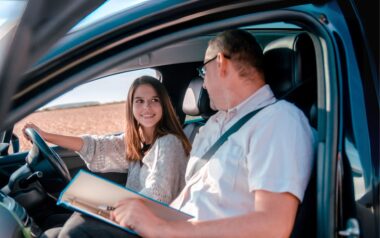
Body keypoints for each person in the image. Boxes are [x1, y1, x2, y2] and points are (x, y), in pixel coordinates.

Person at [108, 29, 315, 237]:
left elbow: (273, 226)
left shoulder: (278, 120)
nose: (204, 84)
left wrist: (162, 229)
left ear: (220, 64)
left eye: (203, 73)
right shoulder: (213, 124)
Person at [23, 76, 191, 237]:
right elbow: (95, 146)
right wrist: (46, 135)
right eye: (139, 101)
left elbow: (158, 195)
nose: (147, 107)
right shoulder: (137, 141)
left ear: (164, 105)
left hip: (151, 226)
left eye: (155, 100)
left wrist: (107, 205)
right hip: (133, 218)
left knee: (74, 228)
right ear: (131, 107)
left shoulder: (170, 142)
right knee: (52, 225)